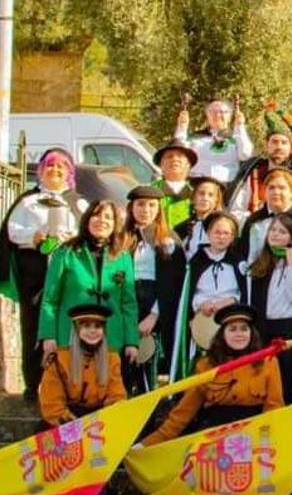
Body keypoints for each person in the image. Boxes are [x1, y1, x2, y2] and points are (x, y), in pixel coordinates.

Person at [1, 148, 88, 398]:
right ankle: (34, 382)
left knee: (68, 326)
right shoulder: (27, 201)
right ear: (41, 170)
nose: (55, 171)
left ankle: (68, 384)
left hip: (70, 274)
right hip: (36, 275)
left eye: (61, 167)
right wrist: (34, 237)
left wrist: (71, 239)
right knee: (34, 326)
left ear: (69, 172)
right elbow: (12, 231)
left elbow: (91, 231)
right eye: (50, 166)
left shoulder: (78, 202)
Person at [141, 304, 284, 446]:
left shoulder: (268, 362)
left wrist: (266, 443)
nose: (239, 334)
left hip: (252, 439)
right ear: (222, 334)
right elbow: (183, 413)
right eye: (232, 329)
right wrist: (146, 445)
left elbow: (274, 408)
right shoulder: (206, 366)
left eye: (244, 329)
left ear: (251, 333)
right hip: (214, 441)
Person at [38, 200, 139, 384]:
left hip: (111, 338)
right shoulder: (66, 252)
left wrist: (132, 340)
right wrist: (48, 335)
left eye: (108, 217)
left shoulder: (123, 257)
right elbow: (50, 299)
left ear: (115, 223)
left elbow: (128, 303)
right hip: (71, 335)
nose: (102, 220)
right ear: (86, 219)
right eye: (96, 215)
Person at [245, 214, 292, 399]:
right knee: (265, 373)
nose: (276, 234)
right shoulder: (260, 264)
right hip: (264, 325)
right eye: (273, 230)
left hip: (288, 326)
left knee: (286, 373)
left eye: (282, 231)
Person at [120, 186, 186, 392]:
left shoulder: (167, 239)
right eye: (140, 205)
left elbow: (172, 283)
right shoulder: (122, 237)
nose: (145, 210)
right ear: (131, 208)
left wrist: (154, 315)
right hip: (127, 300)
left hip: (154, 303)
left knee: (148, 358)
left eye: (151, 205)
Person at [171, 211, 245, 380]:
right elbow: (189, 293)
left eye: (226, 233)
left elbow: (244, 291)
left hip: (231, 317)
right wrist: (200, 303)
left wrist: (231, 301)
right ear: (208, 234)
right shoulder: (197, 261)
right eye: (217, 232)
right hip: (203, 318)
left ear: (233, 237)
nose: (221, 237)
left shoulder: (238, 262)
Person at [38, 304, 126, 429]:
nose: (93, 331)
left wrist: (110, 415)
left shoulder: (112, 358)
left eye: (98, 326)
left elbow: (116, 396)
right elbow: (52, 404)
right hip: (69, 419)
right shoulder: (59, 359)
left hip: (101, 417)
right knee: (44, 428)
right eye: (86, 326)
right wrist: (78, 426)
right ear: (76, 329)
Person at [228, 107, 292, 218]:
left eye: (284, 143)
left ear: (291, 149)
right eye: (274, 142)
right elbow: (236, 211)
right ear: (267, 146)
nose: (279, 147)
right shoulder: (253, 175)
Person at [175, 98, 254, 183]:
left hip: (227, 187)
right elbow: (178, 153)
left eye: (222, 111)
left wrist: (240, 127)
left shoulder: (237, 138)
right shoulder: (195, 138)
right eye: (212, 111)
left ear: (230, 116)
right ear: (207, 115)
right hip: (197, 185)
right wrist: (182, 127)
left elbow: (245, 154)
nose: (217, 115)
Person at [150, 139, 200, 230]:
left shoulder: (198, 191)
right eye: (169, 156)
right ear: (161, 164)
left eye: (180, 156)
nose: (175, 159)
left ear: (188, 164)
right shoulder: (150, 191)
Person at [176, 176, 225, 259]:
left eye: (211, 195)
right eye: (201, 193)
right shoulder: (182, 227)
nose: (205, 198)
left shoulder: (222, 225)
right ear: (193, 197)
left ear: (216, 200)